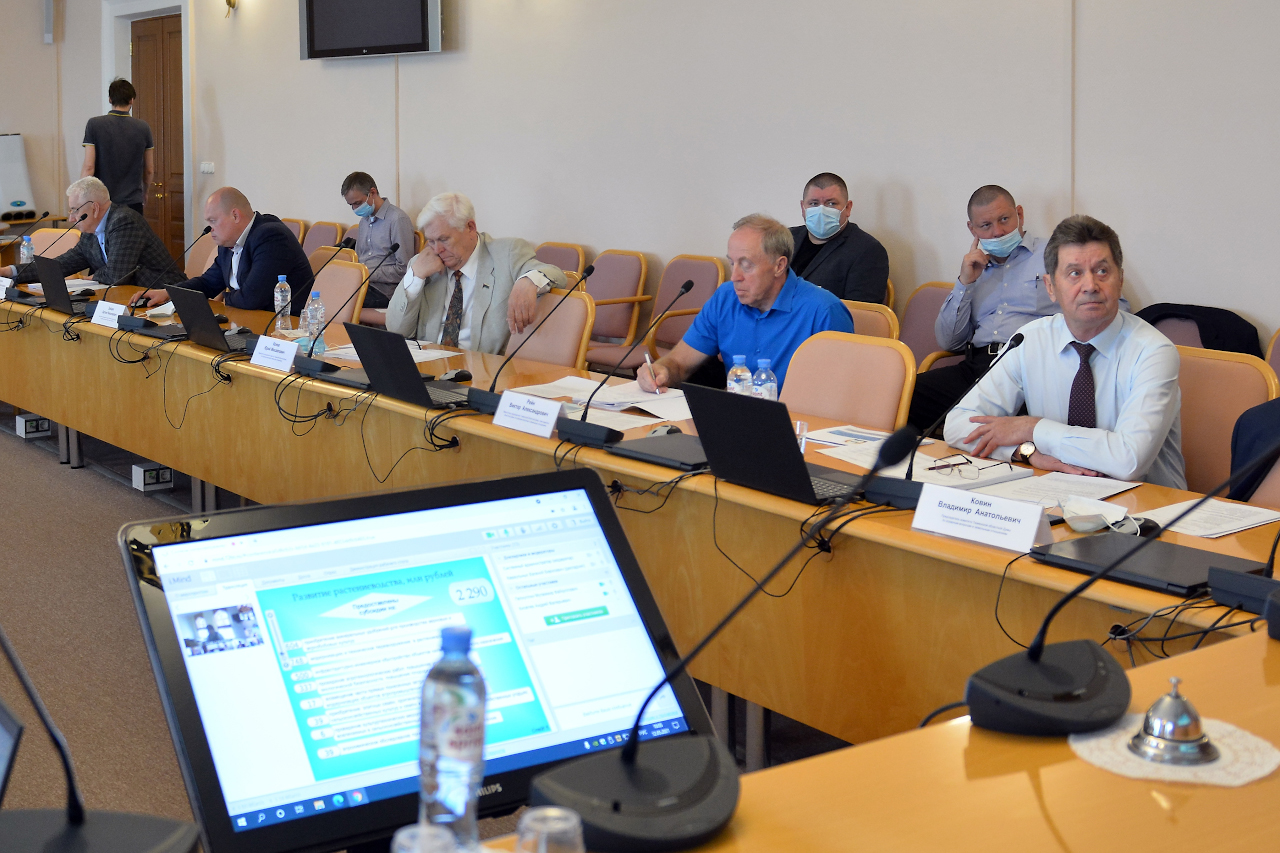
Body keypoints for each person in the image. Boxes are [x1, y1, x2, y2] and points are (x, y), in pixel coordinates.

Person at [943, 215, 1185, 488]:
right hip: (1056, 495)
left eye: (1102, 271)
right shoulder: (1030, 340)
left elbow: (1129, 460)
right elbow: (957, 425)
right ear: (1051, 287)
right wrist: (1026, 451)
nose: (1090, 286)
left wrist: (1032, 428)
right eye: (1074, 273)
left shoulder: (1153, 352)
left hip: (1148, 503)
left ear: (1120, 280)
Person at [638, 213, 854, 393]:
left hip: (800, 423)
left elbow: (840, 394)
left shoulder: (824, 311)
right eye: (732, 263)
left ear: (779, 266)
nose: (735, 277)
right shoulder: (726, 297)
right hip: (737, 416)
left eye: (746, 265)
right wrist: (661, 370)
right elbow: (679, 363)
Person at [385, 192, 567, 353]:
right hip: (429, 366)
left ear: (470, 228)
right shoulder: (423, 264)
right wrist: (415, 276)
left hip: (483, 368)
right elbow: (395, 330)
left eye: (444, 239)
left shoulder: (507, 254)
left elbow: (557, 275)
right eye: (431, 241)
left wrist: (528, 281)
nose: (437, 249)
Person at [131, 187, 313, 313]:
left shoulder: (271, 237)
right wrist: (167, 293)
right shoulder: (229, 243)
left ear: (235, 215)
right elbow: (208, 284)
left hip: (282, 331)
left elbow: (251, 299)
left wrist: (223, 299)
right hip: (246, 322)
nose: (210, 229)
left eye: (213, 221)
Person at [1, 177, 184, 291]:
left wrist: (91, 277)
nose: (71, 218)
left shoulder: (124, 221)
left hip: (163, 293)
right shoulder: (90, 231)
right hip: (130, 295)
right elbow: (61, 265)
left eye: (74, 210)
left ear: (94, 208)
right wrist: (10, 271)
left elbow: (117, 275)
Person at [789, 172, 889, 304]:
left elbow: (862, 312)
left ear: (848, 208)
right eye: (814, 203)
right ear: (803, 208)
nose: (821, 210)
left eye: (831, 203)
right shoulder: (786, 238)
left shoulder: (868, 251)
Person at [340, 171, 414, 309]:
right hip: (361, 284)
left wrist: (366, 273)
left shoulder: (397, 219)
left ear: (372, 193)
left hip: (384, 291)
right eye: (351, 205)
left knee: (338, 298)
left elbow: (404, 269)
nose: (355, 209)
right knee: (326, 289)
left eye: (358, 203)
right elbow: (359, 260)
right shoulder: (364, 222)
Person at [81, 78, 154, 217]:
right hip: (133, 202)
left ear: (110, 99)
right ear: (132, 100)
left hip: (101, 202)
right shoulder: (143, 128)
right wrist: (145, 192)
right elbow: (149, 170)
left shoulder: (94, 124)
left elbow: (89, 167)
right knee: (131, 232)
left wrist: (81, 197)